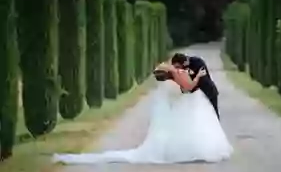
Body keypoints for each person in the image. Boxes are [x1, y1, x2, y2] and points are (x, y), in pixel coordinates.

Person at [52, 58, 232, 165]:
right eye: (174, 69)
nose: (177, 70)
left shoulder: (166, 84)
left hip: (178, 111)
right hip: (184, 109)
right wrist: (198, 77)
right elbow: (187, 88)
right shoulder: (177, 81)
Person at [171, 51, 220, 119]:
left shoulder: (197, 62)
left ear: (183, 63)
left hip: (208, 92)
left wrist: (192, 81)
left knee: (213, 115)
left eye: (178, 66)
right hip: (193, 96)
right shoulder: (182, 70)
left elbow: (202, 78)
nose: (177, 69)